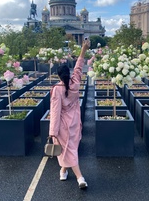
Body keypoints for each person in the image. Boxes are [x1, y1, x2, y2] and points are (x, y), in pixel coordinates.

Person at [49, 39, 90, 189]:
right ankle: (63, 170)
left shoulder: (57, 89)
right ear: (68, 73)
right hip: (75, 122)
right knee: (70, 148)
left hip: (63, 125)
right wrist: (83, 50)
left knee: (68, 150)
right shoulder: (75, 83)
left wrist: (53, 133)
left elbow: (55, 112)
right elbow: (79, 67)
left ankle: (80, 177)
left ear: (59, 76)